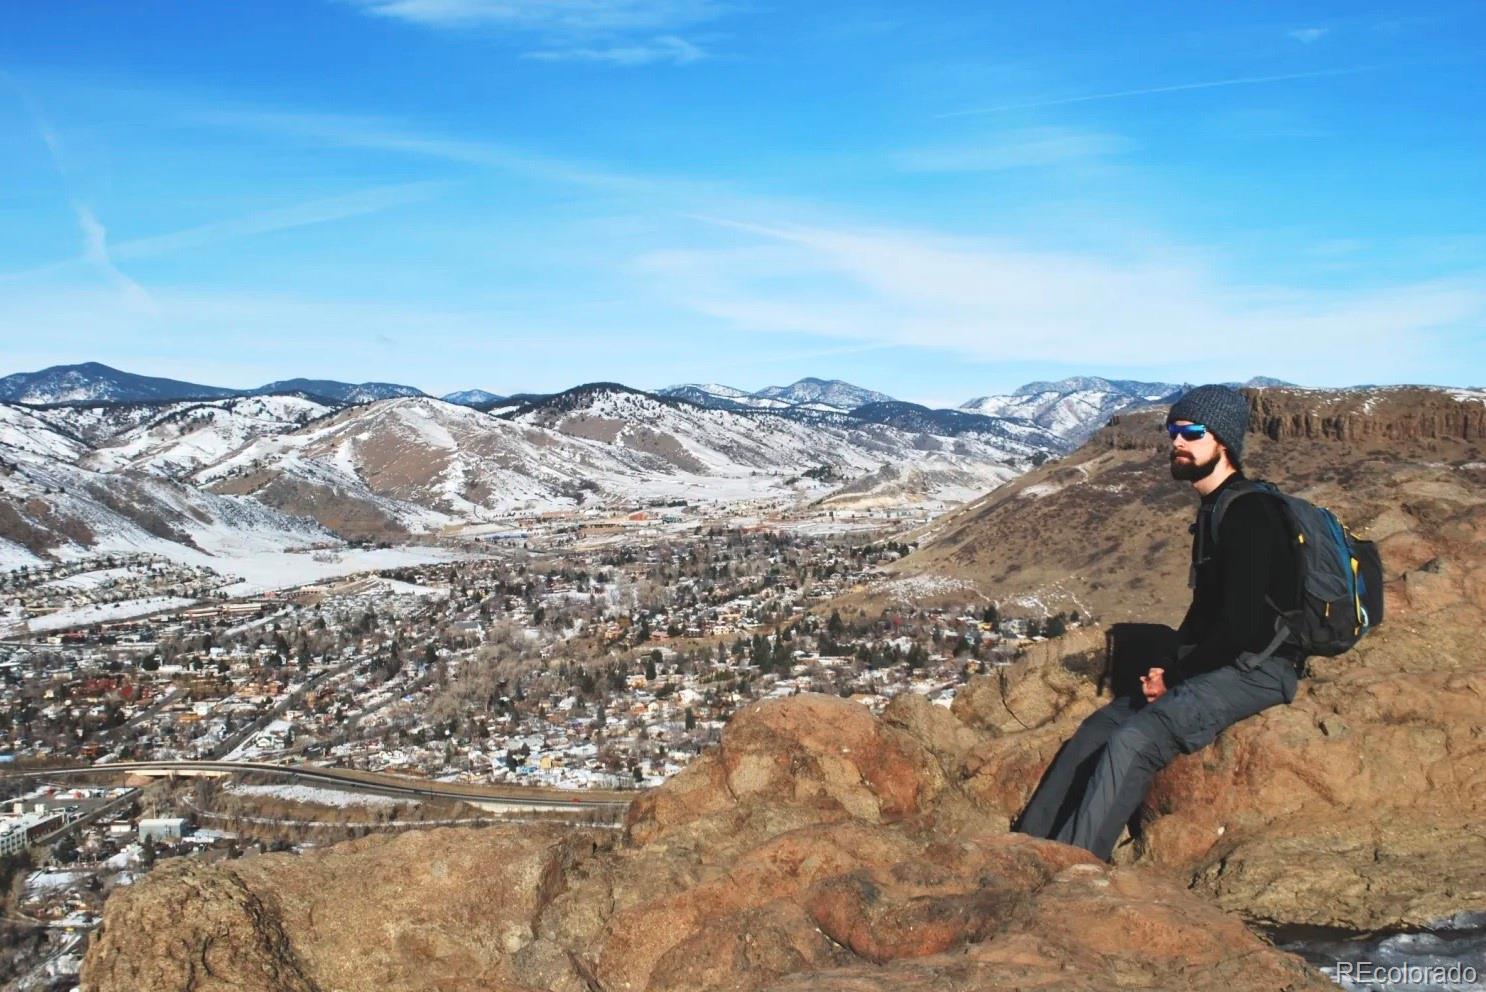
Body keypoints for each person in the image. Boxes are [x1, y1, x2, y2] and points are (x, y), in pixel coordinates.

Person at [1012, 384, 1304, 861]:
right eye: (1173, 431)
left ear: (1223, 442)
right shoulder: (1216, 510)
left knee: (1135, 739)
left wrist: (1175, 678)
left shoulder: (1252, 515)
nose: (1177, 442)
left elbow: (1242, 625)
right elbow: (1206, 613)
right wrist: (1166, 667)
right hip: (1223, 661)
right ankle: (1027, 850)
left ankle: (1073, 869)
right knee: (1099, 727)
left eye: (1191, 432)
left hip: (1262, 668)